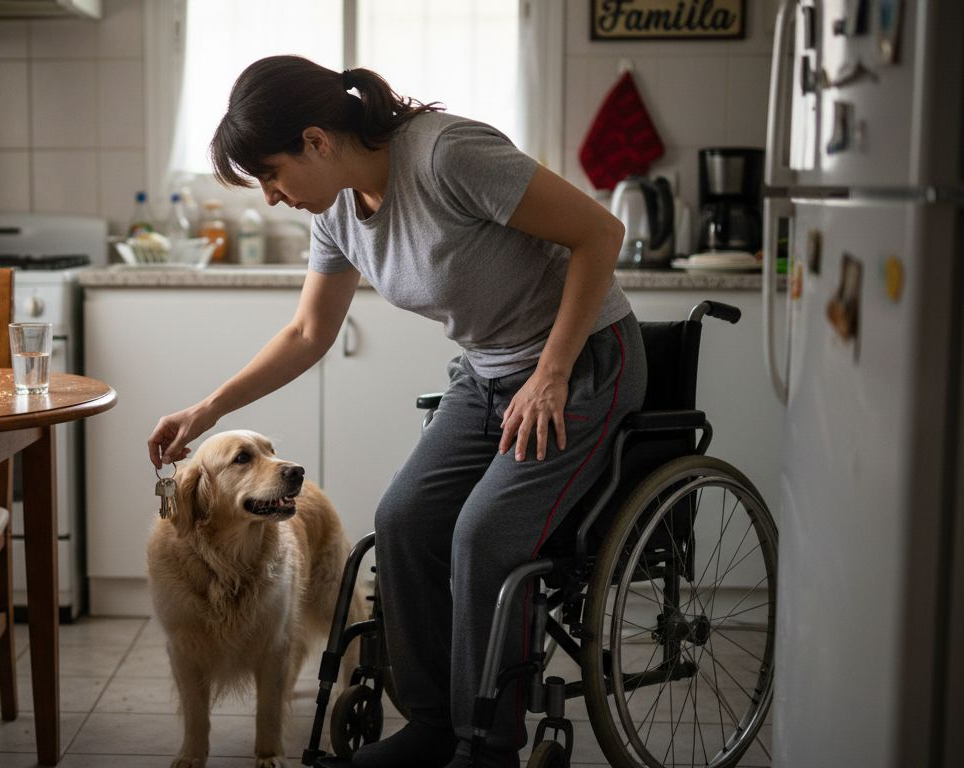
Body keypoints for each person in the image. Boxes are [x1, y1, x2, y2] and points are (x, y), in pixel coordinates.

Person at [147, 55, 647, 768]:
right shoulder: (338, 212)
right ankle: (433, 722)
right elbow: (307, 333)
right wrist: (206, 410)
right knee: (403, 518)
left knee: (482, 535)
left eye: (271, 174)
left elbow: (600, 233)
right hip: (488, 374)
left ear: (316, 141)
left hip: (585, 362)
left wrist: (553, 372)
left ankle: (487, 744)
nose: (271, 196)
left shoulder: (447, 154)